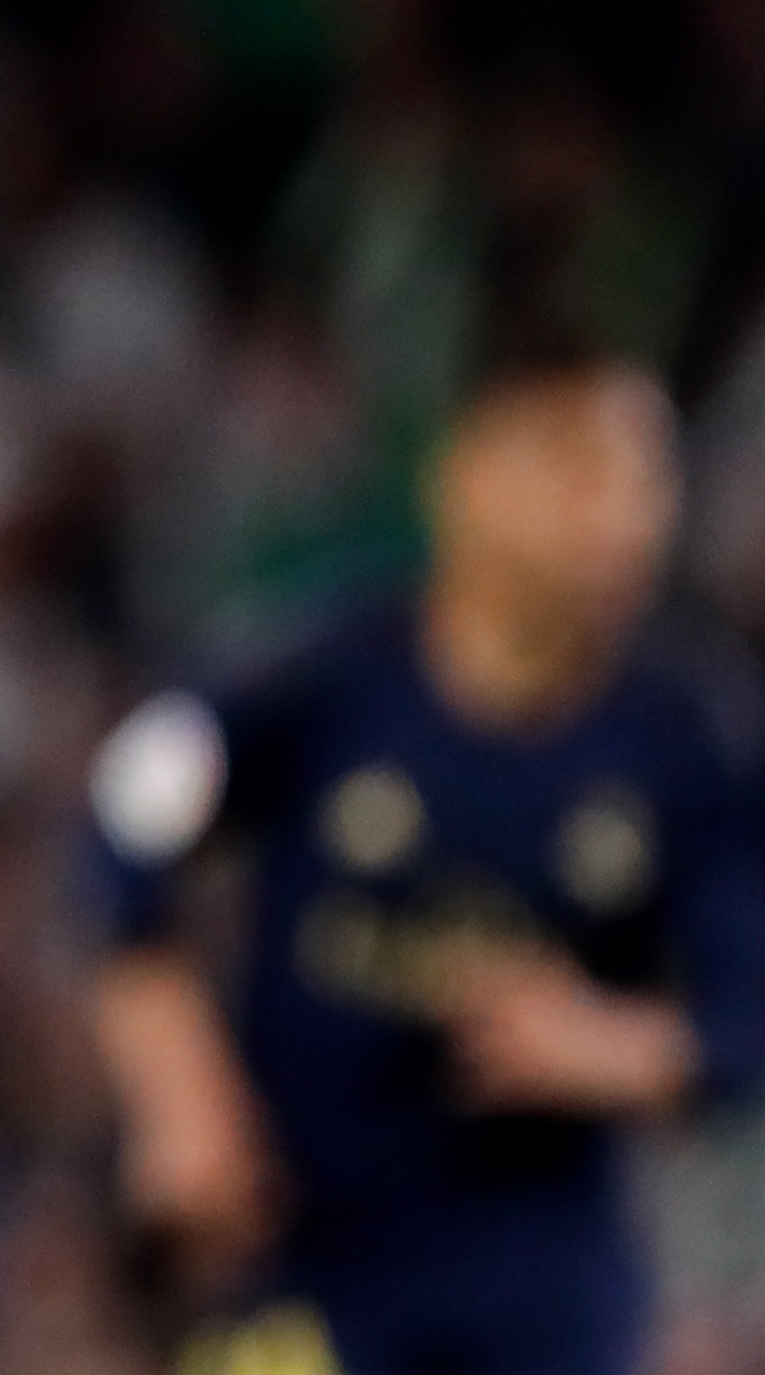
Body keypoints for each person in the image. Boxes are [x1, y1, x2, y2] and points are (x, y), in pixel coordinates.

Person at [85, 350, 765, 1375]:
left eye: (647, 476)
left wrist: (614, 1044)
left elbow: (747, 1010)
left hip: (540, 1277)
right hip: (305, 1248)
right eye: (579, 468)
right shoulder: (321, 672)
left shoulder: (690, 739)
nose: (622, 516)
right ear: (466, 477)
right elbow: (125, 820)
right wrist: (175, 1087)